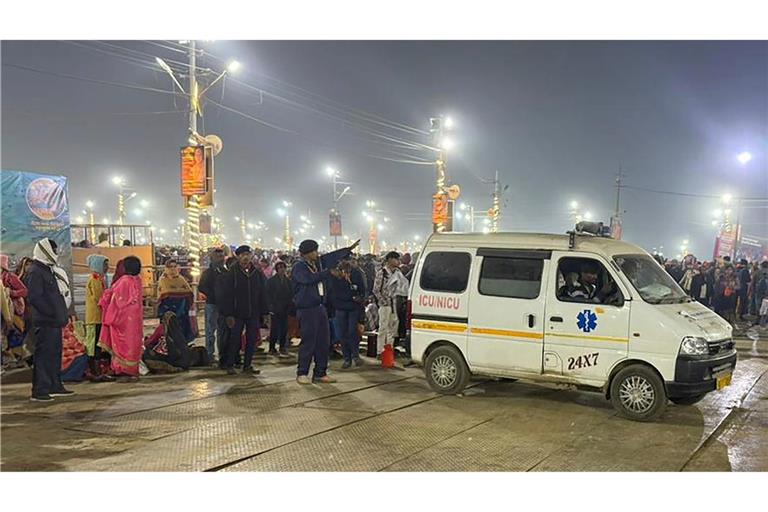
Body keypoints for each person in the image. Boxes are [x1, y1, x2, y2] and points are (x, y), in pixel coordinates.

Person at [292, 238, 359, 384]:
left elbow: (331, 256)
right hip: (307, 308)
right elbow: (308, 279)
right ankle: (302, 372)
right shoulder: (299, 267)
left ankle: (320, 373)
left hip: (321, 307)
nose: (317, 253)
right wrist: (328, 273)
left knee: (323, 341)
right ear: (307, 253)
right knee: (309, 341)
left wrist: (347, 249)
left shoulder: (317, 264)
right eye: (314, 251)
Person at [23, 239, 72, 401]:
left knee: (54, 354)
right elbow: (35, 297)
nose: (56, 253)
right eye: (54, 249)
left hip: (54, 322)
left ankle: (55, 385)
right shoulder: (36, 271)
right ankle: (40, 390)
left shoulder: (48, 270)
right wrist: (51, 312)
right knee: (43, 356)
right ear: (45, 250)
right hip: (44, 322)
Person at [215, 245, 269, 376]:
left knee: (251, 341)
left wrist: (265, 312)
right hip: (236, 314)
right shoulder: (231, 273)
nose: (245, 257)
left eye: (248, 254)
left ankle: (247, 365)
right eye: (242, 255)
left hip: (253, 313)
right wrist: (228, 314)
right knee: (234, 340)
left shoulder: (256, 273)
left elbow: (263, 293)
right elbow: (226, 295)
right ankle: (230, 364)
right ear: (238, 257)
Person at [99, 256, 144, 382]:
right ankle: (131, 369)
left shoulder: (124, 281)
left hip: (122, 320)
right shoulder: (138, 280)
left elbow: (116, 300)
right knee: (133, 343)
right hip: (134, 319)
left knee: (121, 344)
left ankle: (121, 369)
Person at [329, 258, 367, 368]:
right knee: (342, 334)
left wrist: (359, 298)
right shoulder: (335, 277)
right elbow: (332, 293)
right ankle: (347, 358)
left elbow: (362, 289)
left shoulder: (356, 274)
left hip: (353, 307)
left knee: (352, 333)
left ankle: (355, 356)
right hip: (340, 308)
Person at [84, 254, 113, 381]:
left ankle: (96, 371)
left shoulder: (99, 278)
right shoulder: (95, 279)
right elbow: (99, 298)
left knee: (96, 344)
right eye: (105, 264)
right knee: (94, 345)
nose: (107, 267)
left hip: (97, 317)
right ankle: (95, 372)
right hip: (95, 317)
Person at [198, 248, 226, 363]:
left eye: (222, 256)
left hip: (223, 305)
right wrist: (213, 295)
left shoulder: (225, 272)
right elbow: (202, 287)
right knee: (210, 331)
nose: (221, 259)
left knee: (222, 331)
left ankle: (222, 353)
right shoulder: (207, 273)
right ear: (212, 258)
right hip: (212, 304)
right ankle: (210, 354)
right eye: (219, 256)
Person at [157, 259, 194, 342]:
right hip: (168, 309)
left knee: (182, 331)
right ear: (166, 268)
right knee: (170, 330)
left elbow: (189, 292)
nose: (173, 269)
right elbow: (163, 294)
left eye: (174, 266)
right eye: (170, 267)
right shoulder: (163, 280)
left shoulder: (181, 279)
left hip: (182, 310)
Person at [1, 254, 28, 366]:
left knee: (14, 334)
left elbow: (24, 291)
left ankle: (20, 359)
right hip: (3, 311)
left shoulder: (10, 277)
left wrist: (11, 293)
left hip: (13, 311)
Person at [373, 251, 402, 355]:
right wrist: (383, 302)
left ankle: (389, 351)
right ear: (390, 260)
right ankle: (380, 351)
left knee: (392, 330)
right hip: (385, 305)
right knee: (383, 328)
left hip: (394, 305)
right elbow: (376, 290)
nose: (399, 262)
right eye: (397, 259)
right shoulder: (382, 273)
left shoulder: (398, 273)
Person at [266, 260, 294, 357]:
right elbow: (268, 295)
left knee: (284, 329)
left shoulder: (288, 282)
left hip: (285, 308)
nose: (282, 270)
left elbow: (291, 294)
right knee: (274, 329)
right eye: (280, 268)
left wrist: (290, 306)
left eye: (283, 268)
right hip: (275, 308)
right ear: (276, 270)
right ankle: (272, 347)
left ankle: (282, 347)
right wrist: (270, 307)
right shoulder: (271, 281)